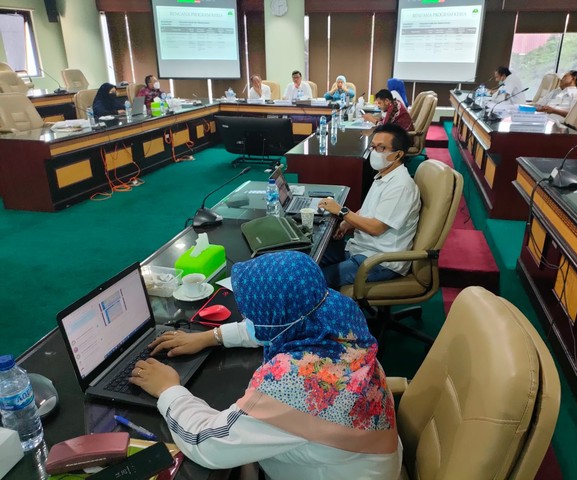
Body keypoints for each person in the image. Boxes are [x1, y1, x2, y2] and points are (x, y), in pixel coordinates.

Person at [129, 251, 401, 479]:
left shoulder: (294, 382)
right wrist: (211, 337)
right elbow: (274, 326)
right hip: (364, 456)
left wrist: (169, 390)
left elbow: (207, 444)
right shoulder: (336, 311)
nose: (250, 317)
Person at [319, 123, 420, 289]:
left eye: (381, 148)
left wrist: (342, 211)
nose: (374, 152)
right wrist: (346, 224)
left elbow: (376, 227)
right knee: (310, 261)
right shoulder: (384, 175)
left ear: (398, 155)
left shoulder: (401, 186)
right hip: (361, 249)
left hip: (381, 261)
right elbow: (368, 211)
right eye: (373, 147)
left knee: (316, 280)